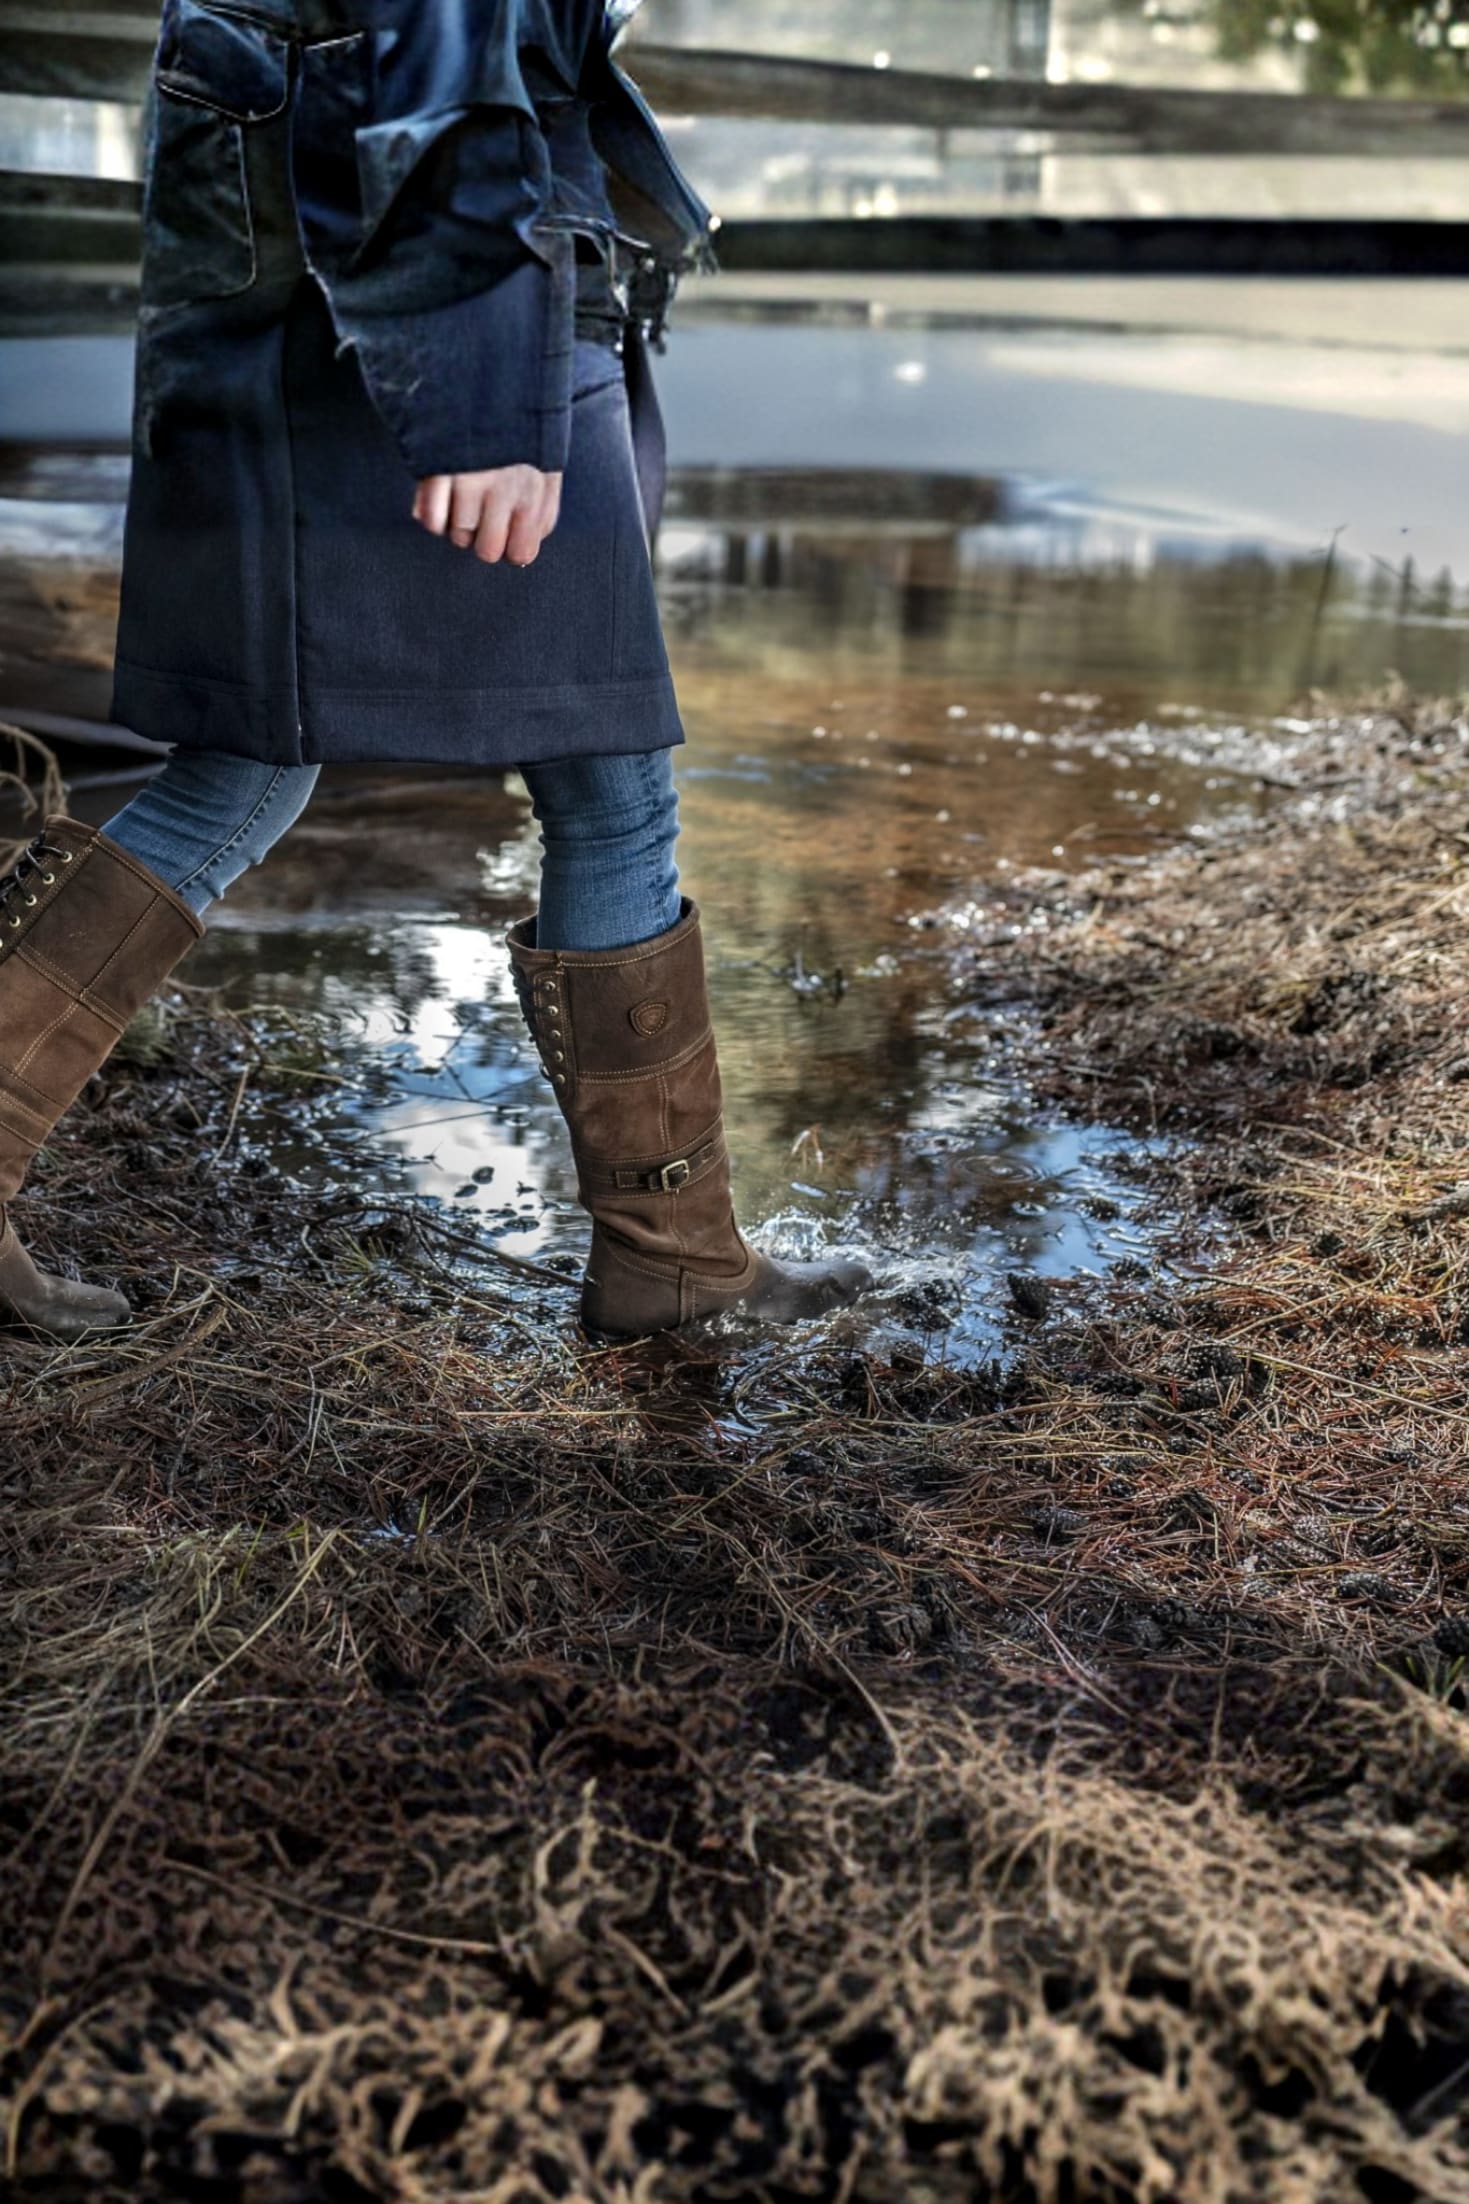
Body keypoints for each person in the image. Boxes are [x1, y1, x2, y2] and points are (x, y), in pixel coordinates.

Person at [0, 0, 871, 1344]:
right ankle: (675, 1259)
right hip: (427, 320)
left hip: (339, 295)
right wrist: (479, 400)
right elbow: (438, 63)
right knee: (543, 780)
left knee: (305, 764)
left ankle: (678, 1256)